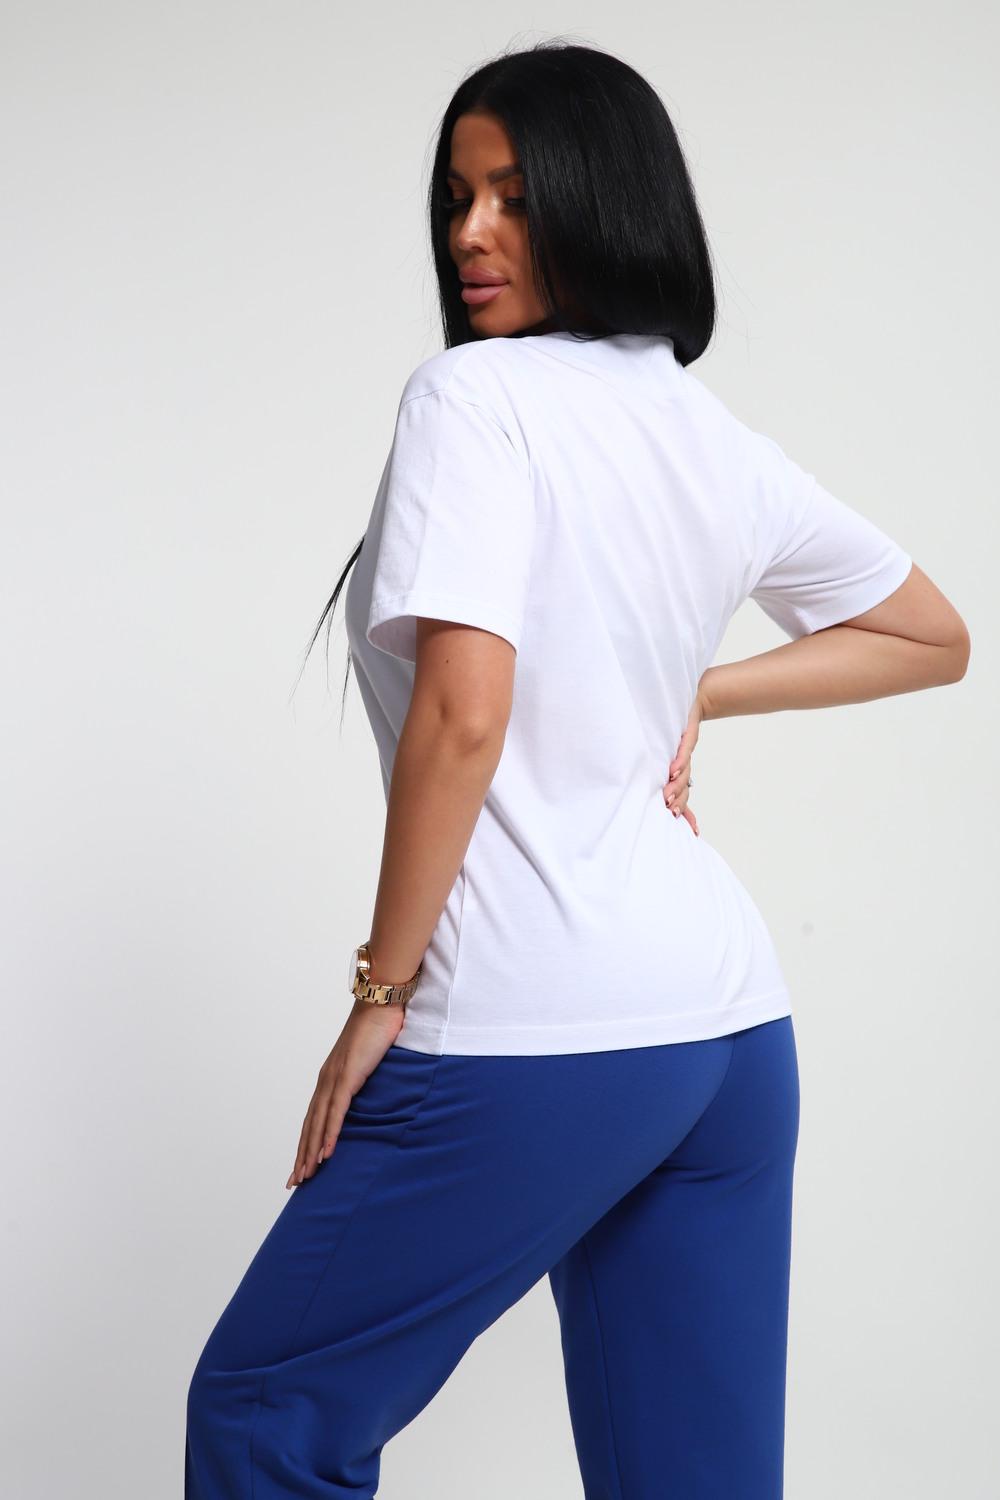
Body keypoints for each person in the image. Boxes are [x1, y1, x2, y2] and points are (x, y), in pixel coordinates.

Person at [184, 40, 970, 1500]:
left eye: (516, 196)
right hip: (730, 1037)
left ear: (605, 203)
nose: (471, 233)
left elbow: (461, 719)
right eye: (458, 197)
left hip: (531, 1024)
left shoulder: (471, 399)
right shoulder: (707, 432)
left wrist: (380, 994)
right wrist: (687, 692)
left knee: (268, 1414)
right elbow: (932, 636)